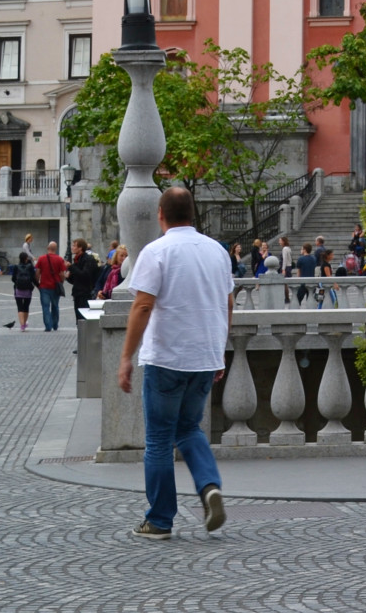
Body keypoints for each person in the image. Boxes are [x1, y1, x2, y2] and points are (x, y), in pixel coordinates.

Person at [118, 185, 233, 540]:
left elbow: (142, 306)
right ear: (193, 214)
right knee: (189, 428)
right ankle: (209, 486)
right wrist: (219, 349)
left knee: (158, 439)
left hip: (167, 357)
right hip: (204, 356)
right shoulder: (217, 251)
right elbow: (228, 303)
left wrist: (126, 357)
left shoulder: (157, 251)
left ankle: (160, 520)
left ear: (160, 214)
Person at [36, 241, 69, 332]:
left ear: (48, 248)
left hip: (44, 286)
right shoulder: (59, 259)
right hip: (55, 286)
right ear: (56, 249)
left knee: (45, 307)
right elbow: (62, 273)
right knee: (55, 306)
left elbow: (38, 272)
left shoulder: (41, 258)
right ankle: (55, 324)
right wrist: (61, 282)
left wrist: (38, 284)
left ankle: (48, 326)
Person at [67, 240, 102, 320]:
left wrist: (71, 267)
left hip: (86, 293)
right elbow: (75, 280)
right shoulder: (76, 259)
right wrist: (68, 277)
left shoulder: (88, 259)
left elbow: (85, 275)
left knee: (84, 318)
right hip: (78, 293)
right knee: (78, 318)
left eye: (74, 246)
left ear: (80, 248)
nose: (72, 247)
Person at [9, 251, 39, 330]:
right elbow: (33, 278)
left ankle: (22, 324)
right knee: (26, 306)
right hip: (28, 290)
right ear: (26, 259)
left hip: (18, 289)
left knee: (20, 307)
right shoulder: (30, 267)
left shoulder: (16, 267)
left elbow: (13, 279)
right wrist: (38, 286)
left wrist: (17, 283)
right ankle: (25, 323)